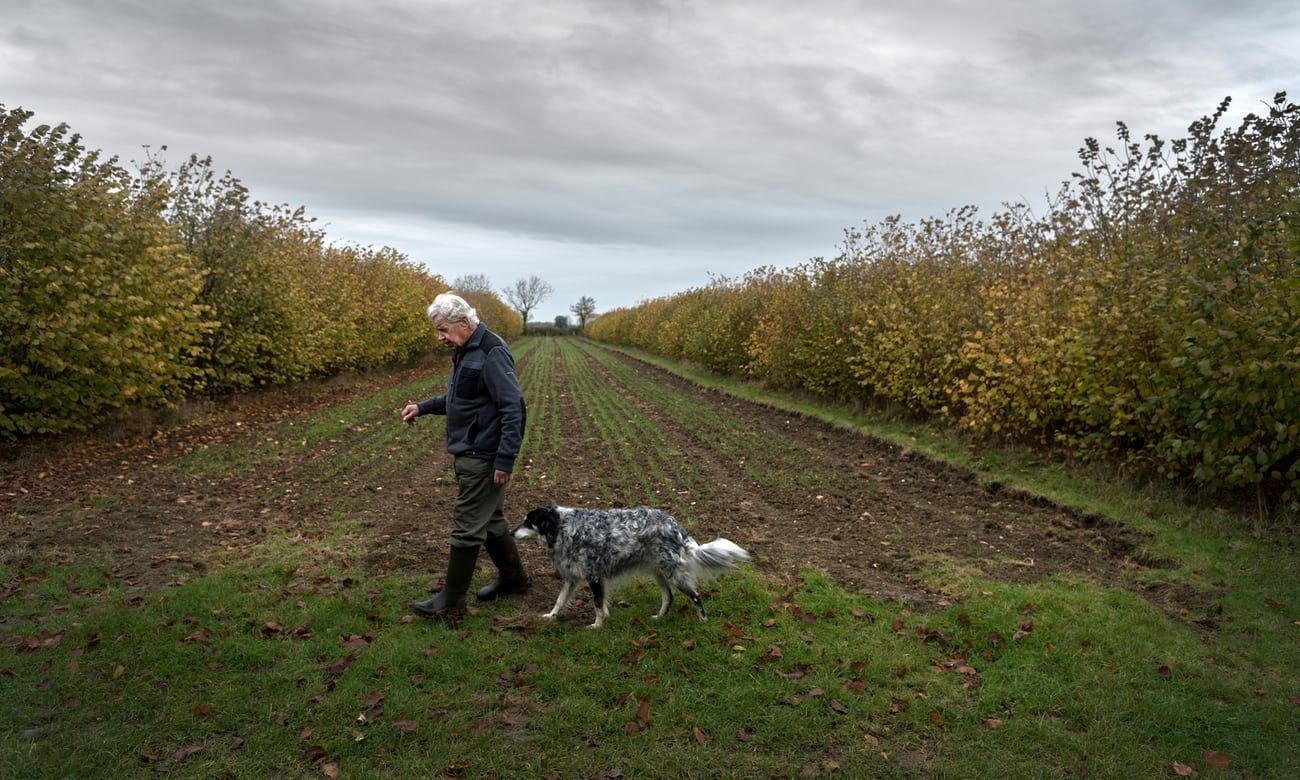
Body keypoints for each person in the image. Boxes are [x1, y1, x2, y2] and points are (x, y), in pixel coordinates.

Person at [401, 292, 529, 619]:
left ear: (462, 322)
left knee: (467, 525)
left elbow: (513, 408)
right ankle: (514, 579)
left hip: (482, 456)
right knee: (491, 521)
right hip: (472, 452)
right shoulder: (465, 351)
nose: (440, 337)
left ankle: (451, 601)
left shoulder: (490, 352)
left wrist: (504, 460)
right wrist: (423, 407)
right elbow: (461, 399)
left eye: (443, 330)